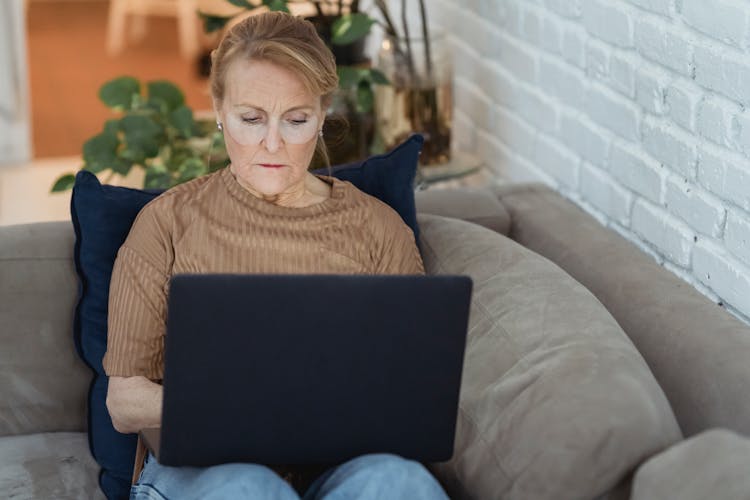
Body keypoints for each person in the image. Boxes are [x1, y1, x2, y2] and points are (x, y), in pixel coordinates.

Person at [102, 10, 448, 500]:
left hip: (337, 468)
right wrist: (240, 402)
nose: (272, 143)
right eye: (250, 119)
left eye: (296, 120)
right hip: (206, 472)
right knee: (247, 487)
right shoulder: (167, 224)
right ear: (219, 108)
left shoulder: (377, 229)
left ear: (323, 113)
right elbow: (124, 401)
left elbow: (411, 391)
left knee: (400, 482)